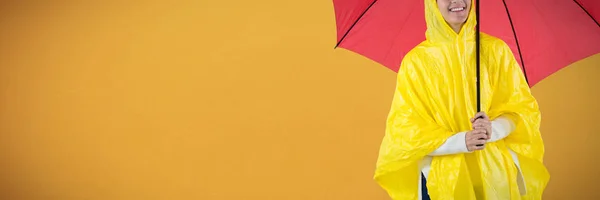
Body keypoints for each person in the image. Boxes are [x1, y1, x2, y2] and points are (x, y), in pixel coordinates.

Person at [373, 0, 550, 199]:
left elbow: (521, 111)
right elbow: (405, 132)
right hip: (441, 180)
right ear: (432, 3)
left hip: (494, 173)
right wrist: (461, 141)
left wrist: (493, 128)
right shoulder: (416, 63)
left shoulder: (495, 51)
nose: (457, 1)